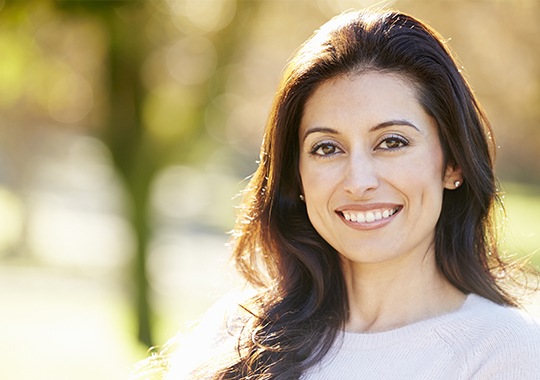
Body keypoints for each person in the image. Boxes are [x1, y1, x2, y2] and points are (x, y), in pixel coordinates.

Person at [138, 8, 540, 380]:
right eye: (327, 148)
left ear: (453, 164)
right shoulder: (233, 335)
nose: (358, 181)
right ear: (296, 177)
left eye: (392, 142)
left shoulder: (504, 352)